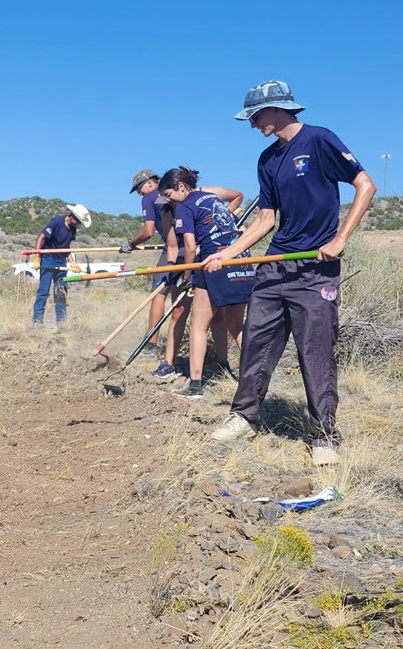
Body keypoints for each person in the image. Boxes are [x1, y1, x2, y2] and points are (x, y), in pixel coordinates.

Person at [206, 81, 376, 464]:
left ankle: (323, 435)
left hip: (317, 266)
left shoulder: (319, 140)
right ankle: (244, 416)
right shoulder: (267, 160)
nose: (252, 125)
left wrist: (341, 238)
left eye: (255, 116)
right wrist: (227, 253)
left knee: (315, 351)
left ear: (278, 110)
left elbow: (365, 184)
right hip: (276, 264)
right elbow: (266, 219)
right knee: (255, 341)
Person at [159, 167, 249, 400]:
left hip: (214, 263)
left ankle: (195, 385)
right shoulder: (212, 195)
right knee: (237, 325)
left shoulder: (185, 207)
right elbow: (234, 201)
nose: (168, 200)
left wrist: (187, 276)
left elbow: (189, 248)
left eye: (168, 194)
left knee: (198, 325)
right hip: (242, 259)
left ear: (181, 187)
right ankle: (255, 377)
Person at [121, 168, 175, 352]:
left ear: (151, 182)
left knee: (159, 294)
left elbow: (148, 231)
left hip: (173, 249)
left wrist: (130, 244)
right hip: (193, 245)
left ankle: (151, 344)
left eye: (139, 188)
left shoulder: (150, 197)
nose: (138, 193)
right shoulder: (169, 194)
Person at [31, 203, 90, 325]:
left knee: (61, 292)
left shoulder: (73, 230)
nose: (78, 225)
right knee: (43, 292)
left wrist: (72, 263)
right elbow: (40, 238)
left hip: (61, 261)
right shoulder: (57, 222)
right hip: (48, 259)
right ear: (73, 217)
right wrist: (37, 257)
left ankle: (62, 324)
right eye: (78, 222)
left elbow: (66, 247)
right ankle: (37, 323)